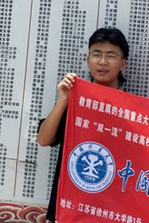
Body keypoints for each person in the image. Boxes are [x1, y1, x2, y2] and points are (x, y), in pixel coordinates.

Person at [37, 27, 129, 223]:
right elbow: (44, 139)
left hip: (109, 213)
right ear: (88, 60)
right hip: (67, 211)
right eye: (96, 54)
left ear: (123, 64)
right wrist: (63, 100)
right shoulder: (75, 102)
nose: (102, 62)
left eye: (111, 56)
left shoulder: (131, 111)